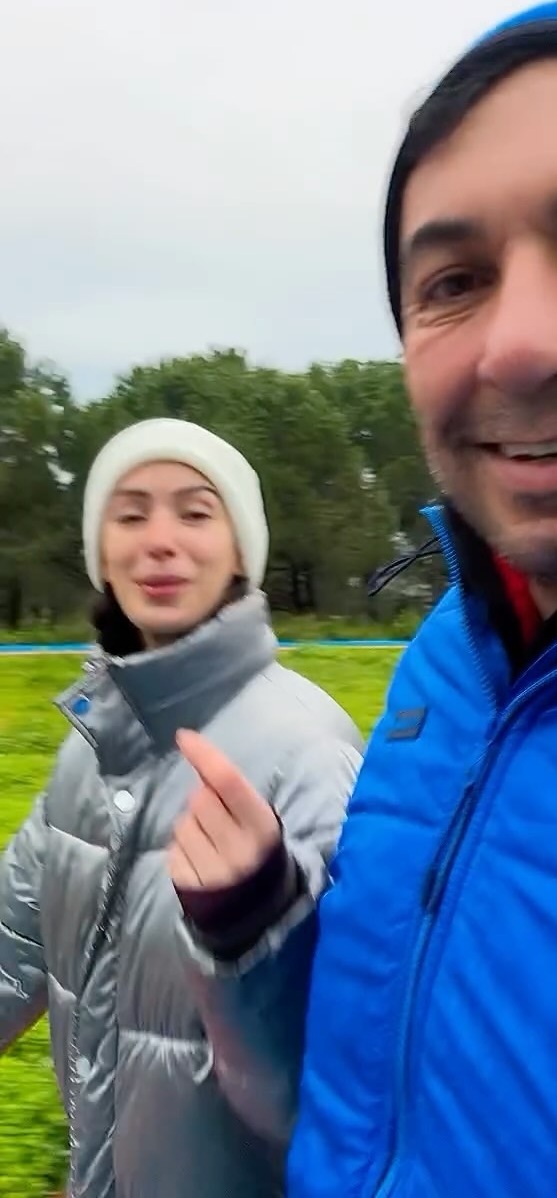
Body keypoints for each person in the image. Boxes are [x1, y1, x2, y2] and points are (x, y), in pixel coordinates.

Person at [172, 0, 557, 1195]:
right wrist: (256, 923)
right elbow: (378, 1085)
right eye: (455, 279)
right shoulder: (448, 663)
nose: (516, 344)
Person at [0, 417, 363, 1197]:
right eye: (130, 515)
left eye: (196, 512)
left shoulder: (306, 747)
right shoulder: (88, 748)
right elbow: (10, 944)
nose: (159, 542)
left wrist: (254, 921)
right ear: (101, 553)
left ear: (241, 552)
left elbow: (336, 1075)